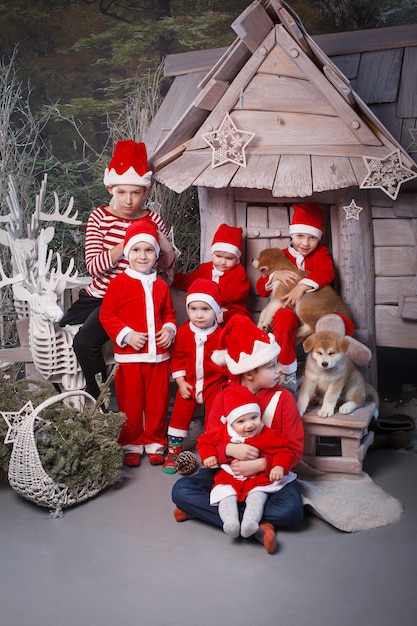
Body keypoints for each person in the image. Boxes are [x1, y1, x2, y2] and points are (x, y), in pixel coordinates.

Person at [171, 314, 304, 554]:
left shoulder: (283, 399)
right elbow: (210, 439)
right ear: (250, 372)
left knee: (292, 510)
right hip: (228, 472)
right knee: (181, 490)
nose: (278, 370)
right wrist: (228, 450)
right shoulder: (223, 397)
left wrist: (262, 463)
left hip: (268, 475)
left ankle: (221, 515)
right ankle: (256, 524)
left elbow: (293, 450)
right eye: (271, 365)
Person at [59, 139, 175, 399]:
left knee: (84, 341)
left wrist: (166, 246)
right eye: (122, 192)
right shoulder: (99, 217)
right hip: (100, 296)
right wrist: (128, 242)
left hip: (134, 298)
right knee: (70, 331)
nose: (128, 200)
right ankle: (97, 389)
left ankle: (99, 395)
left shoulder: (153, 219)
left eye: (135, 192)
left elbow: (166, 269)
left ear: (145, 191)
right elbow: (94, 267)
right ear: (110, 187)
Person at [255, 203, 370, 393]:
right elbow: (261, 288)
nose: (305, 243)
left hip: (313, 305)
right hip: (288, 309)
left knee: (320, 318)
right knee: (283, 321)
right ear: (291, 235)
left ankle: (336, 347)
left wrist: (302, 286)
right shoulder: (281, 256)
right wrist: (275, 276)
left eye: (312, 238)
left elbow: (327, 272)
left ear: (319, 238)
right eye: (300, 236)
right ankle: (286, 373)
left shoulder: (320, 254)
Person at [99, 220, 176, 467]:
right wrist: (127, 335)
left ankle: (155, 442)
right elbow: (107, 315)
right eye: (136, 250)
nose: (142, 256)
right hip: (130, 357)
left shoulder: (161, 285)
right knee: (130, 403)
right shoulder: (119, 284)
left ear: (156, 254)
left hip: (158, 357)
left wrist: (169, 329)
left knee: (157, 401)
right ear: (127, 253)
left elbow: (169, 314)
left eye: (148, 250)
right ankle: (130, 443)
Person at [197, 384, 297, 546]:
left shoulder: (267, 434)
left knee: (258, 497)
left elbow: (285, 450)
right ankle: (231, 523)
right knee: (224, 495)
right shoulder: (223, 432)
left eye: (254, 418)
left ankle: (250, 523)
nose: (249, 425)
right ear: (230, 423)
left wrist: (277, 466)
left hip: (257, 479)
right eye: (241, 421)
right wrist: (211, 454)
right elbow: (204, 441)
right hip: (229, 477)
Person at [163, 278, 229, 474]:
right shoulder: (184, 332)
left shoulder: (221, 334)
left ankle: (214, 450)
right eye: (193, 309)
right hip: (190, 383)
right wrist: (181, 381)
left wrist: (228, 385)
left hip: (214, 384)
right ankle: (174, 454)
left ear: (216, 310)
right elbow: (178, 358)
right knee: (179, 416)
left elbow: (229, 361)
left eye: (205, 309)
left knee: (215, 418)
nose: (199, 315)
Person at [172, 223, 251, 324]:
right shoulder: (205, 268)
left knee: (237, 320)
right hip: (206, 309)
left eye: (229, 258)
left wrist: (211, 292)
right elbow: (190, 281)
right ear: (212, 253)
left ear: (237, 259)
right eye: (218, 256)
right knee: (191, 324)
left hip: (231, 309)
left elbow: (235, 294)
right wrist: (172, 278)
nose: (223, 262)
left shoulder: (238, 272)